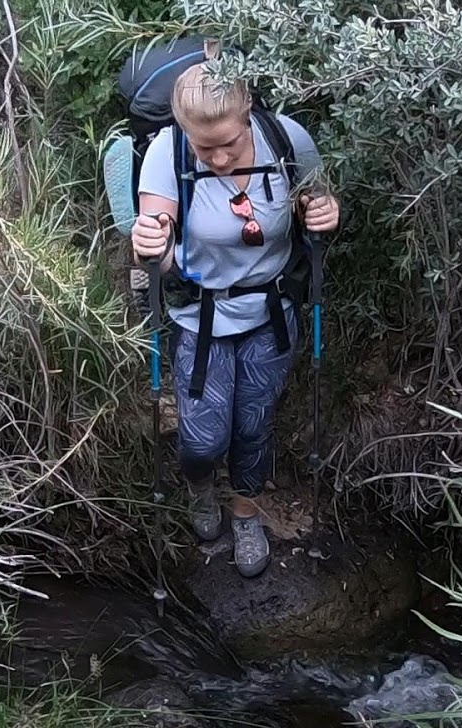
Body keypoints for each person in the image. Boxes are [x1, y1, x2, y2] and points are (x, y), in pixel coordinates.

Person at [130, 62, 340, 578]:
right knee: (203, 440)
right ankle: (201, 487)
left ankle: (246, 512)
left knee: (254, 425)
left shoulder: (286, 139)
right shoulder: (167, 151)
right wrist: (149, 246)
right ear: (185, 134)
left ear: (248, 112)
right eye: (205, 149)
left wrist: (328, 212)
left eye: (229, 144)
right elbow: (155, 233)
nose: (219, 159)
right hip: (199, 316)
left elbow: (319, 207)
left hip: (271, 310)